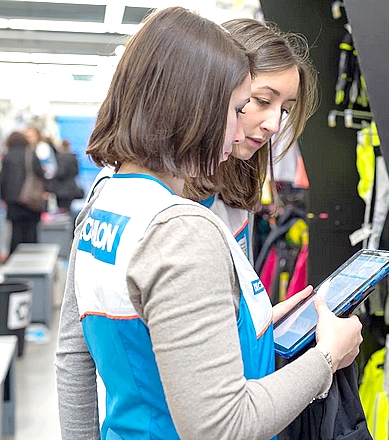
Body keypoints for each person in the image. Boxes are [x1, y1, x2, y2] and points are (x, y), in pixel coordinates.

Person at [55, 7, 362, 440]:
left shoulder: (119, 205)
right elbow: (222, 424)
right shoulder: (177, 228)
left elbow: (174, 326)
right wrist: (327, 357)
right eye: (248, 104)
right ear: (197, 99)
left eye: (285, 108)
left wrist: (252, 322)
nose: (260, 126)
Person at [186, 18, 318, 263]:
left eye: (285, 111)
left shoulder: (237, 192)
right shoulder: (155, 196)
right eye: (263, 101)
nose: (274, 125)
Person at [0, 131, 45, 254]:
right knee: (31, 232)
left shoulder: (7, 156)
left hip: (13, 201)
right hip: (31, 200)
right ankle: (32, 260)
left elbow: (3, 179)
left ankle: (15, 261)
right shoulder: (31, 154)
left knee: (16, 232)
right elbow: (40, 176)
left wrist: (4, 197)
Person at [51, 140, 82, 211]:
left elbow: (61, 172)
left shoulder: (61, 157)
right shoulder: (73, 157)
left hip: (61, 188)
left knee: (62, 210)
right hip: (72, 187)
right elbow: (77, 172)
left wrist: (52, 175)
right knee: (68, 209)